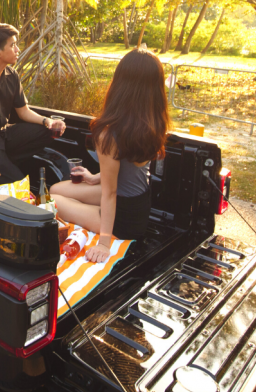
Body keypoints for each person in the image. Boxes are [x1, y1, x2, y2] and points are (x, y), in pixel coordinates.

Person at [50, 48, 170, 263]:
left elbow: (110, 194)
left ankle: (98, 218)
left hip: (123, 220)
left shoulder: (109, 133)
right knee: (56, 189)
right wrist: (95, 177)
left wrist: (104, 243)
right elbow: (128, 172)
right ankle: (93, 212)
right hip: (138, 205)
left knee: (54, 200)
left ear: (120, 83)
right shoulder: (154, 122)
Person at [0, 23, 65, 185]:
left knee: (46, 131)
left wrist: (47, 121)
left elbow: (23, 112)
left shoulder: (11, 75)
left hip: (4, 136)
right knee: (20, 184)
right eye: (13, 45)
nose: (18, 50)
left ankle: (4, 163)